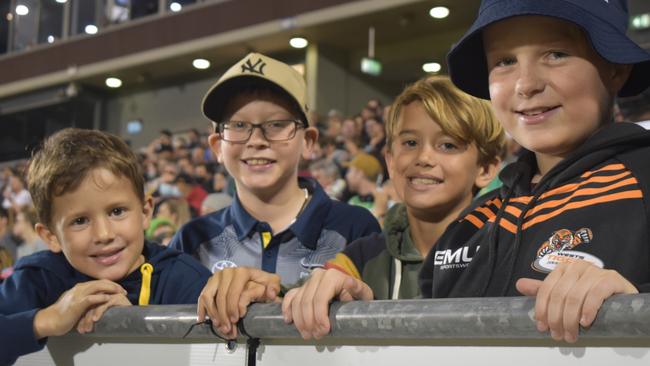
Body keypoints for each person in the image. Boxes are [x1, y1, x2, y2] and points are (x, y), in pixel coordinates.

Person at [285, 0, 650, 344]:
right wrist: (363, 305)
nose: (526, 84)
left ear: (616, 66)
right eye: (505, 61)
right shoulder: (473, 222)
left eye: (556, 54)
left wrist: (632, 310)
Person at [168, 52, 380, 338]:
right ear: (218, 146)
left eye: (276, 124)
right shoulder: (193, 239)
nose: (256, 141)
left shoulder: (354, 226)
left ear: (308, 142)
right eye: (239, 125)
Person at [281, 76, 504, 338]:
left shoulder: (508, 247)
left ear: (486, 168)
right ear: (389, 160)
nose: (424, 158)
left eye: (448, 144)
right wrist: (252, 290)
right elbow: (283, 303)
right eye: (410, 143)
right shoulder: (360, 258)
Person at [0, 128, 212, 365]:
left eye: (117, 211)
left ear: (145, 212)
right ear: (51, 237)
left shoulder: (184, 278)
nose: (103, 234)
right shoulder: (37, 279)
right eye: (80, 221)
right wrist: (46, 320)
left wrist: (133, 323)